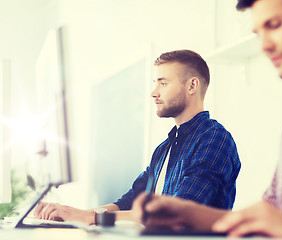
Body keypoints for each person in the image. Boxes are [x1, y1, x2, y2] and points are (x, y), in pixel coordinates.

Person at [132, 0, 282, 238]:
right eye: (258, 33)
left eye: (274, 25)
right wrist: (185, 212)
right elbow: (266, 217)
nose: (264, 45)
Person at [33, 49, 241, 225]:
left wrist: (90, 217)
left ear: (192, 86)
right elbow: (131, 201)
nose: (153, 92)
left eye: (163, 83)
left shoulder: (214, 139)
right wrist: (76, 214)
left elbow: (178, 214)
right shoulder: (164, 148)